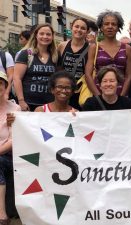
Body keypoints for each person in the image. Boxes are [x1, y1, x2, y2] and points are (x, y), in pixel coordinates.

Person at [84, 10, 131, 97]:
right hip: (99, 95)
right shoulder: (94, 47)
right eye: (106, 24)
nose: (110, 26)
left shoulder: (127, 48)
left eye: (114, 24)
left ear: (119, 27)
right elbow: (88, 74)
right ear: (101, 27)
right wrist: (98, 97)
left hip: (122, 96)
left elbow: (129, 76)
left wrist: (121, 97)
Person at [13, 24, 58, 112]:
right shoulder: (26, 54)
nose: (45, 36)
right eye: (41, 34)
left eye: (48, 34)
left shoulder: (55, 56)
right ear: (36, 35)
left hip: (49, 105)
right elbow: (16, 78)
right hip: (28, 104)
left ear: (52, 37)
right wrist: (21, 101)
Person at [0, 71, 21, 225]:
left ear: (6, 86)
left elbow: (14, 140)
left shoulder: (15, 109)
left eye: (0, 83)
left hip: (7, 155)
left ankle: (2, 215)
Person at [57, 18, 90, 110]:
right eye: (77, 26)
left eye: (83, 28)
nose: (79, 30)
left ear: (87, 32)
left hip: (81, 92)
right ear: (72, 27)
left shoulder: (91, 48)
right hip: (63, 91)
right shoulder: (62, 46)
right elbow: (58, 67)